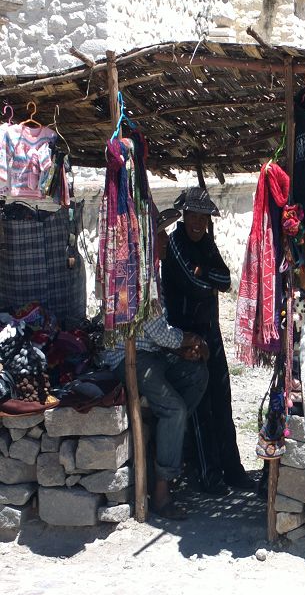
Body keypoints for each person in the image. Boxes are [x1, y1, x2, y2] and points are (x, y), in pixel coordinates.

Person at [105, 207, 209, 520]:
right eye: (160, 235)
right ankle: (161, 493)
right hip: (129, 359)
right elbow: (157, 331)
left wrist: (182, 349)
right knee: (174, 410)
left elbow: (156, 333)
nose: (165, 240)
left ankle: (165, 444)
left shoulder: (152, 272)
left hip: (151, 354)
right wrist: (189, 340)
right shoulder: (139, 276)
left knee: (197, 374)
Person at [162, 187, 251, 491]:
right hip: (186, 336)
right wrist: (206, 277)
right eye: (194, 216)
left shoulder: (207, 244)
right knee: (201, 407)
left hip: (211, 331)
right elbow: (194, 284)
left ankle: (233, 470)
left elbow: (225, 280)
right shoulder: (175, 243)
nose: (198, 223)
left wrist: (206, 274)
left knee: (222, 401)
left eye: (204, 217)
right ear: (184, 215)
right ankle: (208, 474)